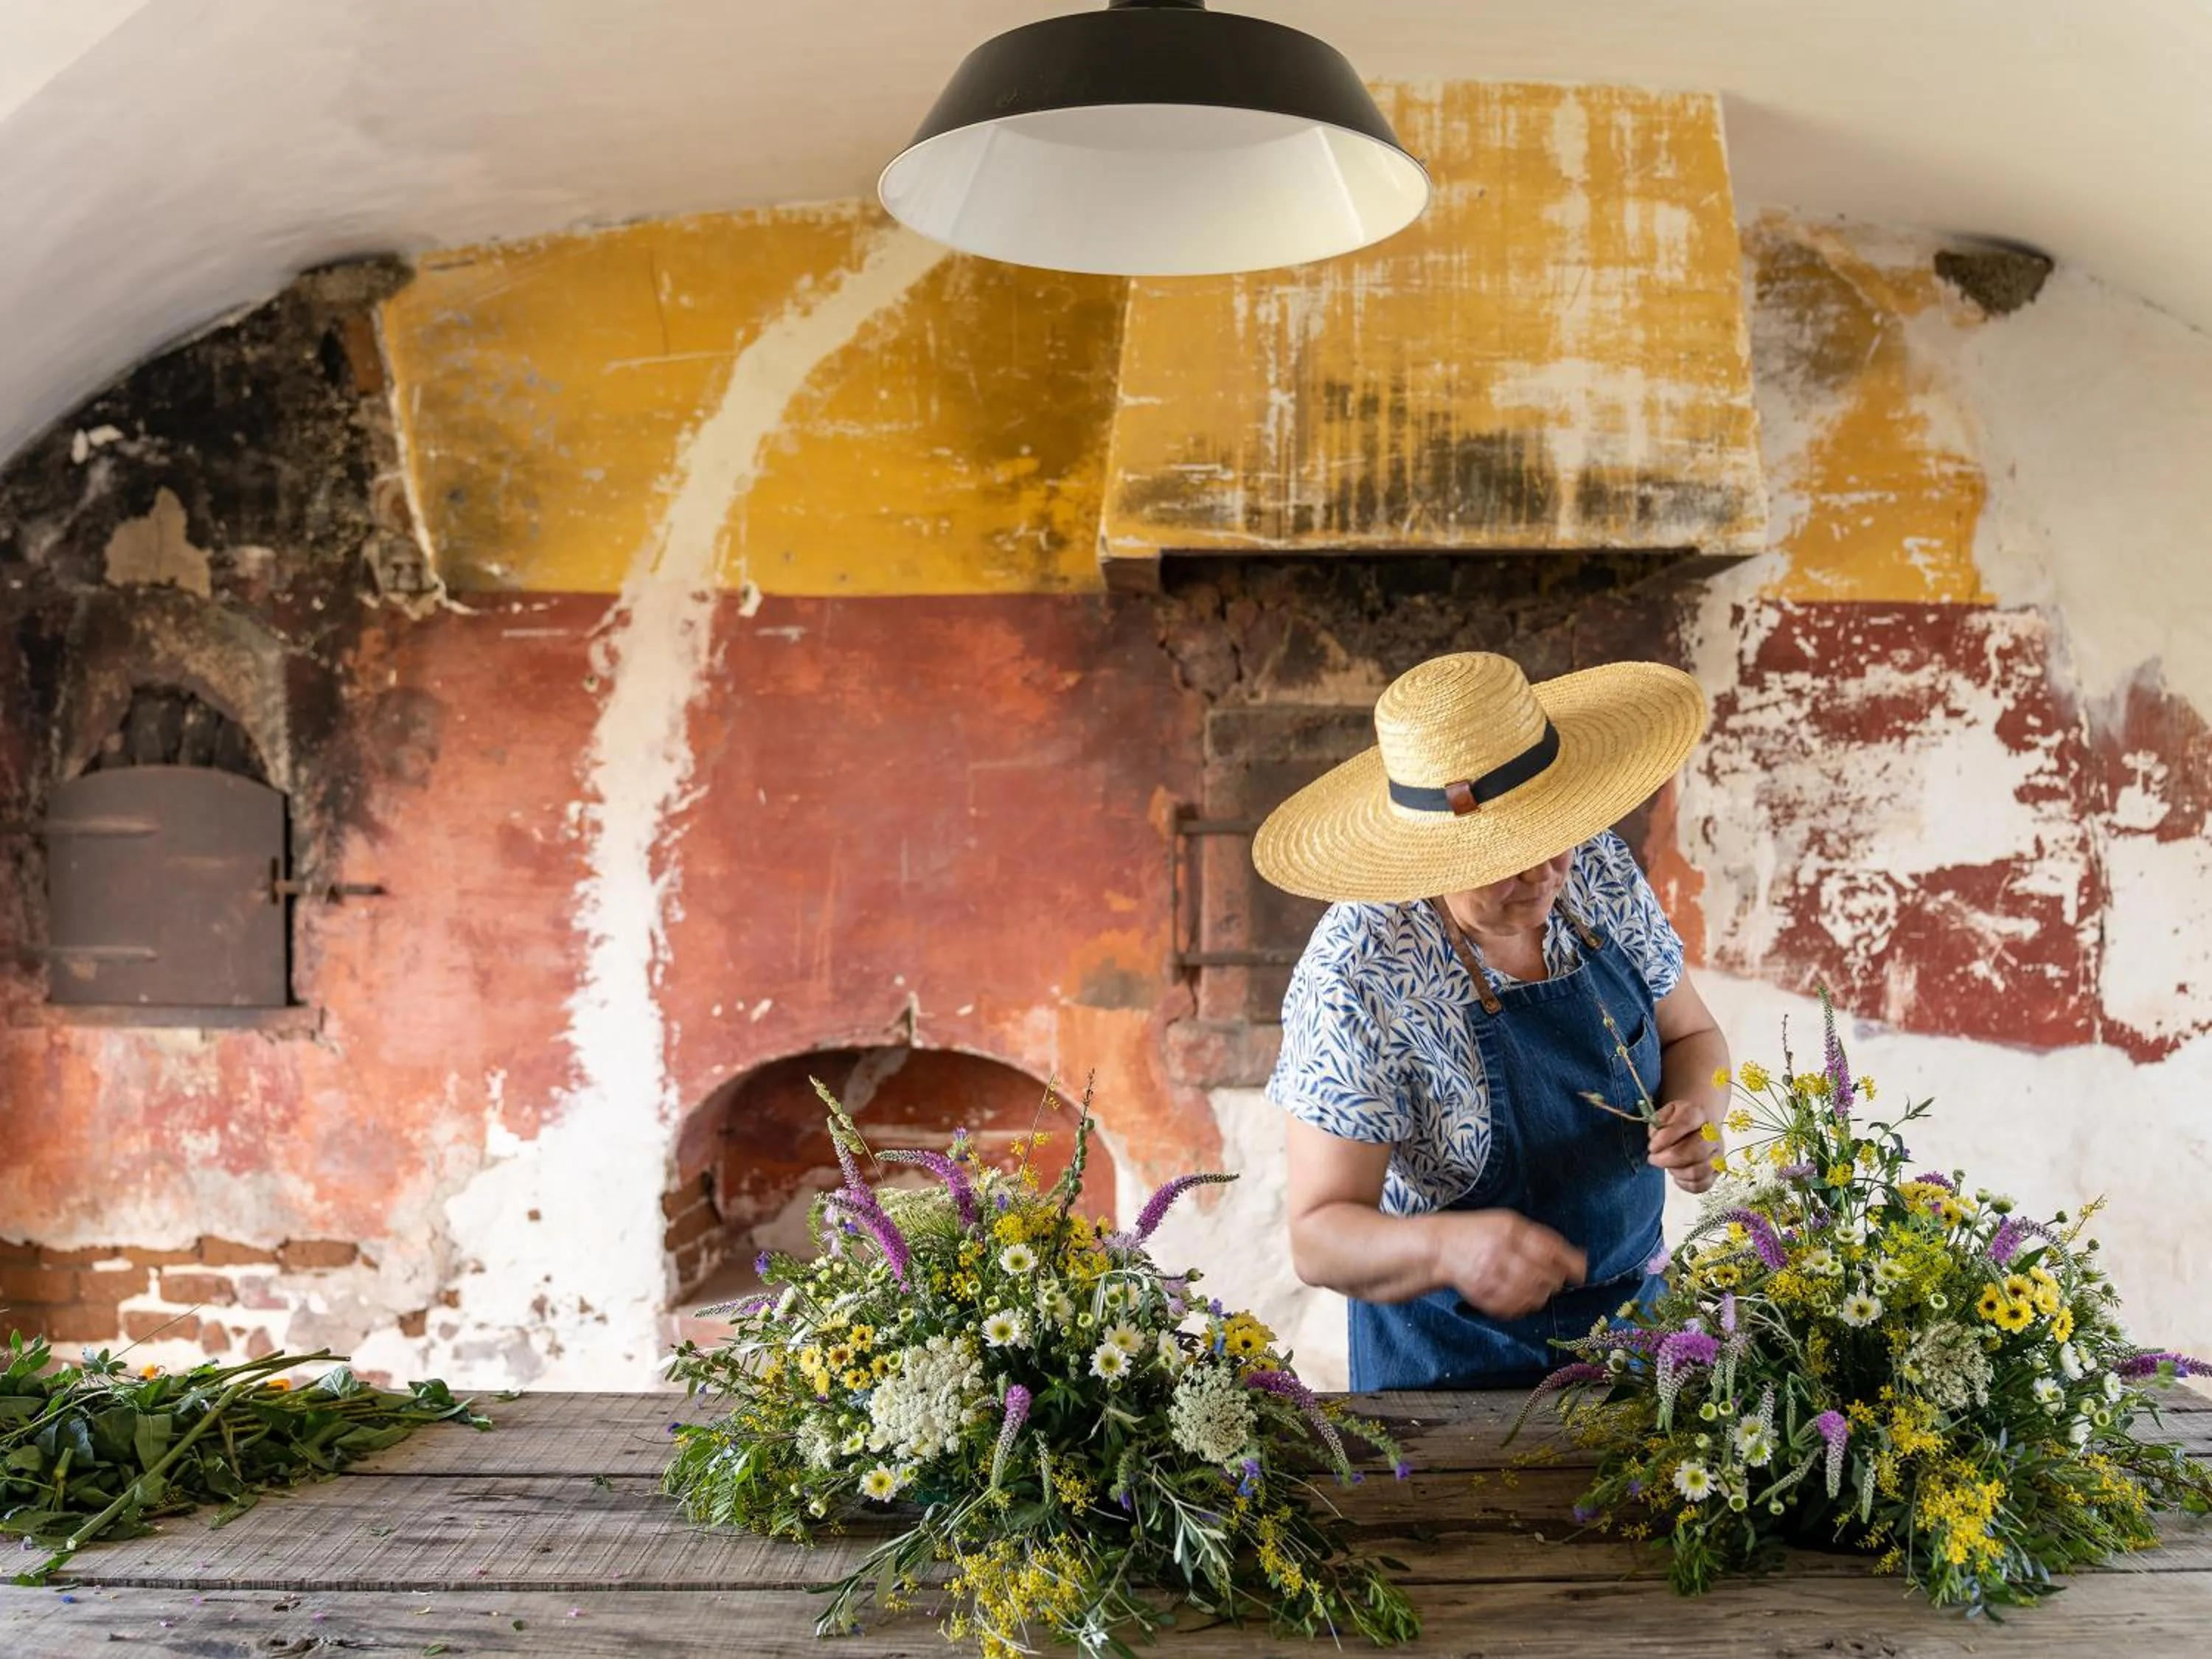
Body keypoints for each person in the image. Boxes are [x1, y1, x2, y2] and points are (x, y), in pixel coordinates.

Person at [1253, 651, 1729, 1391]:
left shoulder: (1594, 866)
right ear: (1428, 854)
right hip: (1451, 1358)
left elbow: (1692, 1037)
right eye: (1506, 857)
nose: (1544, 874)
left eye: (1553, 835)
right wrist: (1448, 1250)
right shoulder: (1358, 972)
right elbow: (1319, 1238)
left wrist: (1700, 1113)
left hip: (1637, 1327)